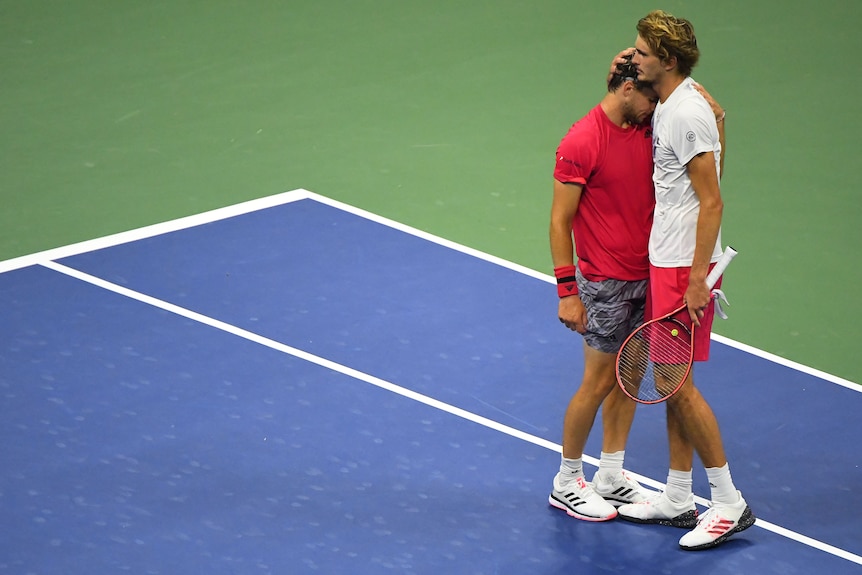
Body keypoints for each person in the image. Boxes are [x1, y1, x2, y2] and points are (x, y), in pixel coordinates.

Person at [616, 10, 756, 550]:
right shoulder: (682, 105)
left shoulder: (685, 115)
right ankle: (678, 493)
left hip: (681, 268)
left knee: (681, 386)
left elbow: (712, 200)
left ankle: (728, 501)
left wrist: (697, 279)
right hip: (668, 259)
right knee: (670, 380)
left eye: (643, 53)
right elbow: (709, 164)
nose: (635, 58)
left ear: (668, 60)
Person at [547, 57, 659, 522]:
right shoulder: (582, 140)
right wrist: (567, 291)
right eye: (651, 95)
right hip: (604, 281)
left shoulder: (644, 126)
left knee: (628, 378)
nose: (657, 104)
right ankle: (567, 480)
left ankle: (610, 474)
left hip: (645, 276)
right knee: (596, 382)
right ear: (628, 89)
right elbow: (559, 220)